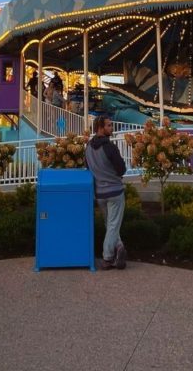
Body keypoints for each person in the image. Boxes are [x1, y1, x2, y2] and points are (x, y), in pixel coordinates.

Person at [85, 115, 128, 270]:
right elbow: (122, 168)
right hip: (115, 191)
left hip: (100, 193)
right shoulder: (109, 147)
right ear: (100, 128)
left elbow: (88, 169)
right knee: (113, 225)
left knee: (110, 224)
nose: (111, 128)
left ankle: (120, 247)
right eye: (109, 125)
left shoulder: (88, 147)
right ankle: (107, 257)